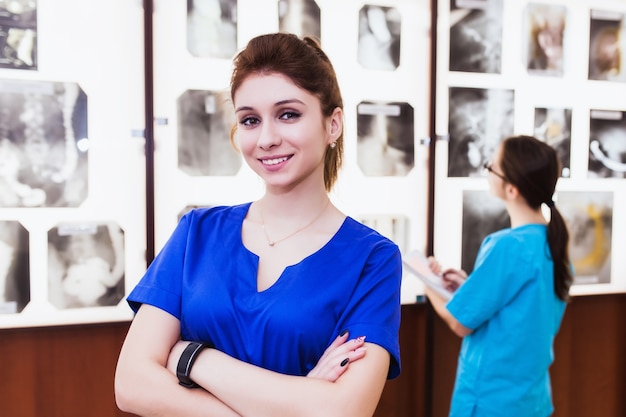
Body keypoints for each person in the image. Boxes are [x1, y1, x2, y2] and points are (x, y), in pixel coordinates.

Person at [115, 32, 402, 417]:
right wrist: (300, 398)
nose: (266, 138)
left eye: (288, 114)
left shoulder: (373, 259)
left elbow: (343, 411)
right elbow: (131, 385)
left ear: (332, 124)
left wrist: (191, 359)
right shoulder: (197, 232)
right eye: (250, 120)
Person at [426, 135, 573, 417]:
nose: (488, 169)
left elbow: (460, 323)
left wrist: (427, 282)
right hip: (531, 401)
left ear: (512, 189)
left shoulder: (506, 246)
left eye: (492, 166)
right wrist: (470, 286)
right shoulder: (554, 245)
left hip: (490, 403)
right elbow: (520, 310)